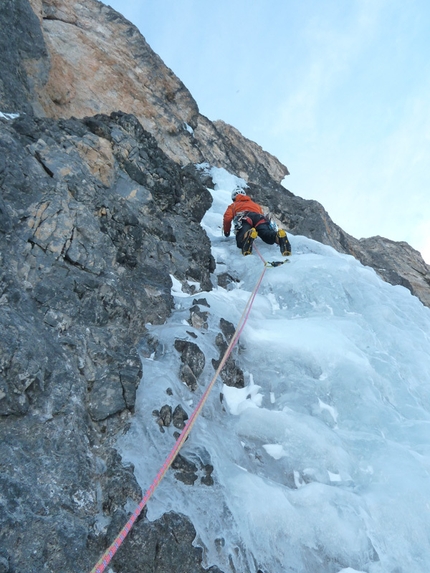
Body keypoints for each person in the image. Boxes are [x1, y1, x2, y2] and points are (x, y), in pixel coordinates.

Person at [223, 188, 292, 256]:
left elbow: (227, 218)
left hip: (244, 218)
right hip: (260, 218)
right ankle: (278, 236)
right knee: (266, 235)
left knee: (240, 241)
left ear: (233, 198)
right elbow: (261, 213)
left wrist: (226, 232)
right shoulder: (255, 204)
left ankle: (248, 235)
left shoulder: (233, 205)